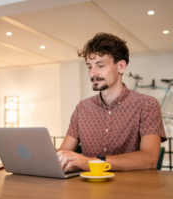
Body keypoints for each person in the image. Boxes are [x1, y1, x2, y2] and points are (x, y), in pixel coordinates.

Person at [57, 33, 167, 172]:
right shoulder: (82, 108)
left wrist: (94, 162)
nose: (92, 73)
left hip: (134, 191)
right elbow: (63, 153)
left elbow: (150, 159)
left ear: (121, 66)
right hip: (88, 189)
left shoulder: (146, 104)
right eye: (89, 66)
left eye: (100, 65)